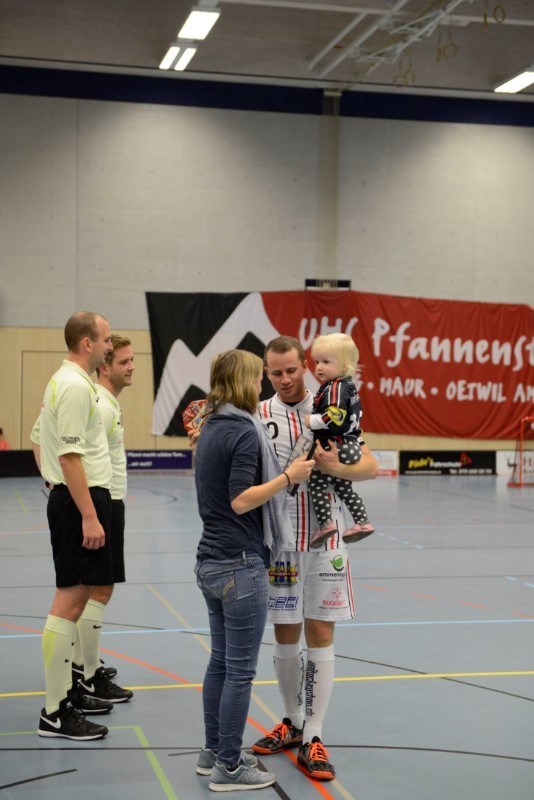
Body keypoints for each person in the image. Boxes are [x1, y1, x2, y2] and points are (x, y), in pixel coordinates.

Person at [251, 335, 378, 781]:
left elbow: (370, 465)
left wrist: (335, 468)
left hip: (326, 542)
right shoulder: (259, 414)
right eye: (276, 372)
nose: (285, 379)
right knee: (285, 632)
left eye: (292, 370)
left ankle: (314, 735)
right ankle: (291, 721)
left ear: (305, 366)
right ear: (266, 373)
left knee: (320, 632)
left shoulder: (329, 402)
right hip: (281, 543)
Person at [193, 349, 315, 792]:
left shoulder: (211, 425)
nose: (263, 384)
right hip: (239, 565)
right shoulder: (244, 431)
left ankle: (213, 752)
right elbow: (241, 499)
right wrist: (289, 477)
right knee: (240, 671)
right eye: (257, 377)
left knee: (221, 662)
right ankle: (228, 766)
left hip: (210, 561)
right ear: (244, 381)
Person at [30, 311, 131, 742]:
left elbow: (47, 442)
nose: (110, 347)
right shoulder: (73, 386)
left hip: (84, 498)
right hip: (80, 501)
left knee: (78, 598)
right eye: (106, 340)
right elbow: (70, 457)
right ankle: (54, 712)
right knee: (69, 602)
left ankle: (65, 696)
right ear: (88, 343)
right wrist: (87, 513)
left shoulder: (74, 382)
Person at [70, 335, 135, 697]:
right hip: (104, 502)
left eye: (131, 360)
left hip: (109, 501)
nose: (132, 367)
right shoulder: (103, 406)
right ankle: (88, 674)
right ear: (105, 367)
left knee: (95, 589)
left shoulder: (106, 402)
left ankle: (82, 665)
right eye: (124, 361)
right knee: (100, 588)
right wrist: (93, 511)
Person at [304, 332, 374, 548]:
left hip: (337, 444)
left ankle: (326, 525)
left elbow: (335, 416)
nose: (319, 367)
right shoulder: (348, 386)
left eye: (326, 362)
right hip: (351, 445)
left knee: (316, 484)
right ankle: (363, 522)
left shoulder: (335, 387)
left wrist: (312, 421)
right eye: (317, 361)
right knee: (344, 488)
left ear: (344, 365)